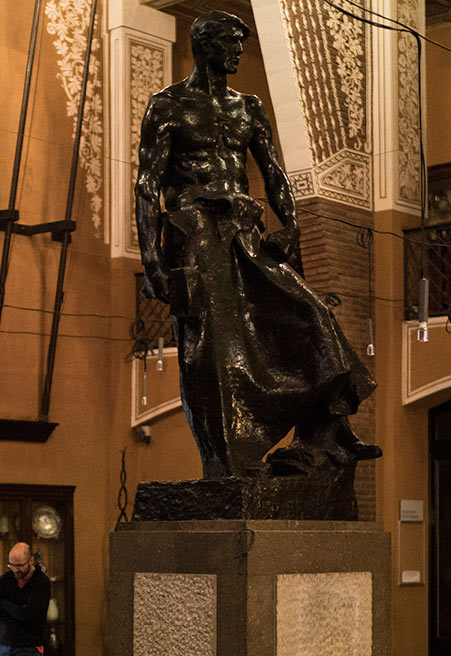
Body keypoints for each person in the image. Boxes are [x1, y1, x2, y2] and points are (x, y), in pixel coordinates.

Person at [134, 12, 376, 481]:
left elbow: (275, 172)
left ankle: (321, 432)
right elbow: (148, 184)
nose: (237, 54)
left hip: (244, 231)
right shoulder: (168, 106)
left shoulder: (248, 107)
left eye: (240, 45)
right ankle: (230, 464)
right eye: (229, 43)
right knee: (214, 348)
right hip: (195, 231)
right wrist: (152, 262)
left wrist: (292, 226)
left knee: (312, 313)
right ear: (205, 45)